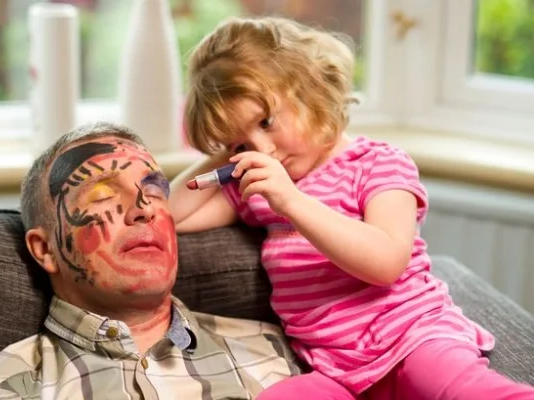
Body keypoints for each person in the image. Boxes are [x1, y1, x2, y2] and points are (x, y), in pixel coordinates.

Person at [169, 16, 534, 399]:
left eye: (266, 121)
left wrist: (292, 202)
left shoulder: (377, 163)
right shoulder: (262, 189)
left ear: (310, 89)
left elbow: (386, 263)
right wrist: (226, 152)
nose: (265, 150)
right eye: (242, 145)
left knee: (461, 389)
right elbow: (173, 214)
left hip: (413, 338)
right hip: (333, 367)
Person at [0, 122, 301, 400]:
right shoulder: (3, 390)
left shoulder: (278, 355)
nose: (143, 209)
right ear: (44, 250)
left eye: (153, 190)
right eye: (102, 194)